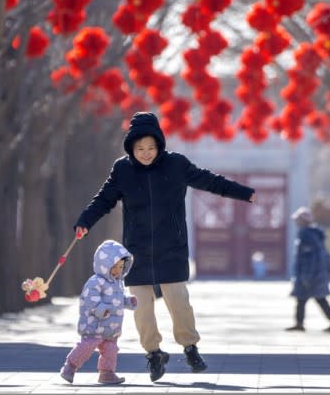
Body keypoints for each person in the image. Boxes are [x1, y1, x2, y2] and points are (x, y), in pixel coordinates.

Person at [73, 111, 256, 382]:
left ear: (159, 145)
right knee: (140, 307)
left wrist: (243, 193)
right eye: (139, 149)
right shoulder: (122, 170)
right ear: (131, 148)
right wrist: (85, 221)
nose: (146, 153)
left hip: (172, 246)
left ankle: (190, 347)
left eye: (151, 147)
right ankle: (154, 353)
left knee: (178, 302)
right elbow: (104, 199)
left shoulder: (176, 165)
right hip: (135, 252)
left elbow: (209, 181)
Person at [59, 239, 136, 385]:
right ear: (104, 265)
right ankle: (70, 367)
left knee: (111, 350)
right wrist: (100, 309)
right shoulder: (95, 281)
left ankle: (107, 373)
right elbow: (90, 299)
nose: (118, 271)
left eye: (121, 267)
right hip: (94, 325)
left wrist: (128, 301)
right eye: (115, 267)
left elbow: (117, 300)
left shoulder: (117, 283)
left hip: (111, 328)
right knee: (86, 347)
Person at [285, 206, 330, 332]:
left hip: (311, 274)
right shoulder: (315, 233)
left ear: (303, 221)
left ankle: (301, 323)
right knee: (314, 298)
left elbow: (309, 257)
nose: (296, 222)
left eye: (298, 219)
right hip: (318, 273)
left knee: (306, 298)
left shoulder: (305, 234)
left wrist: (306, 275)